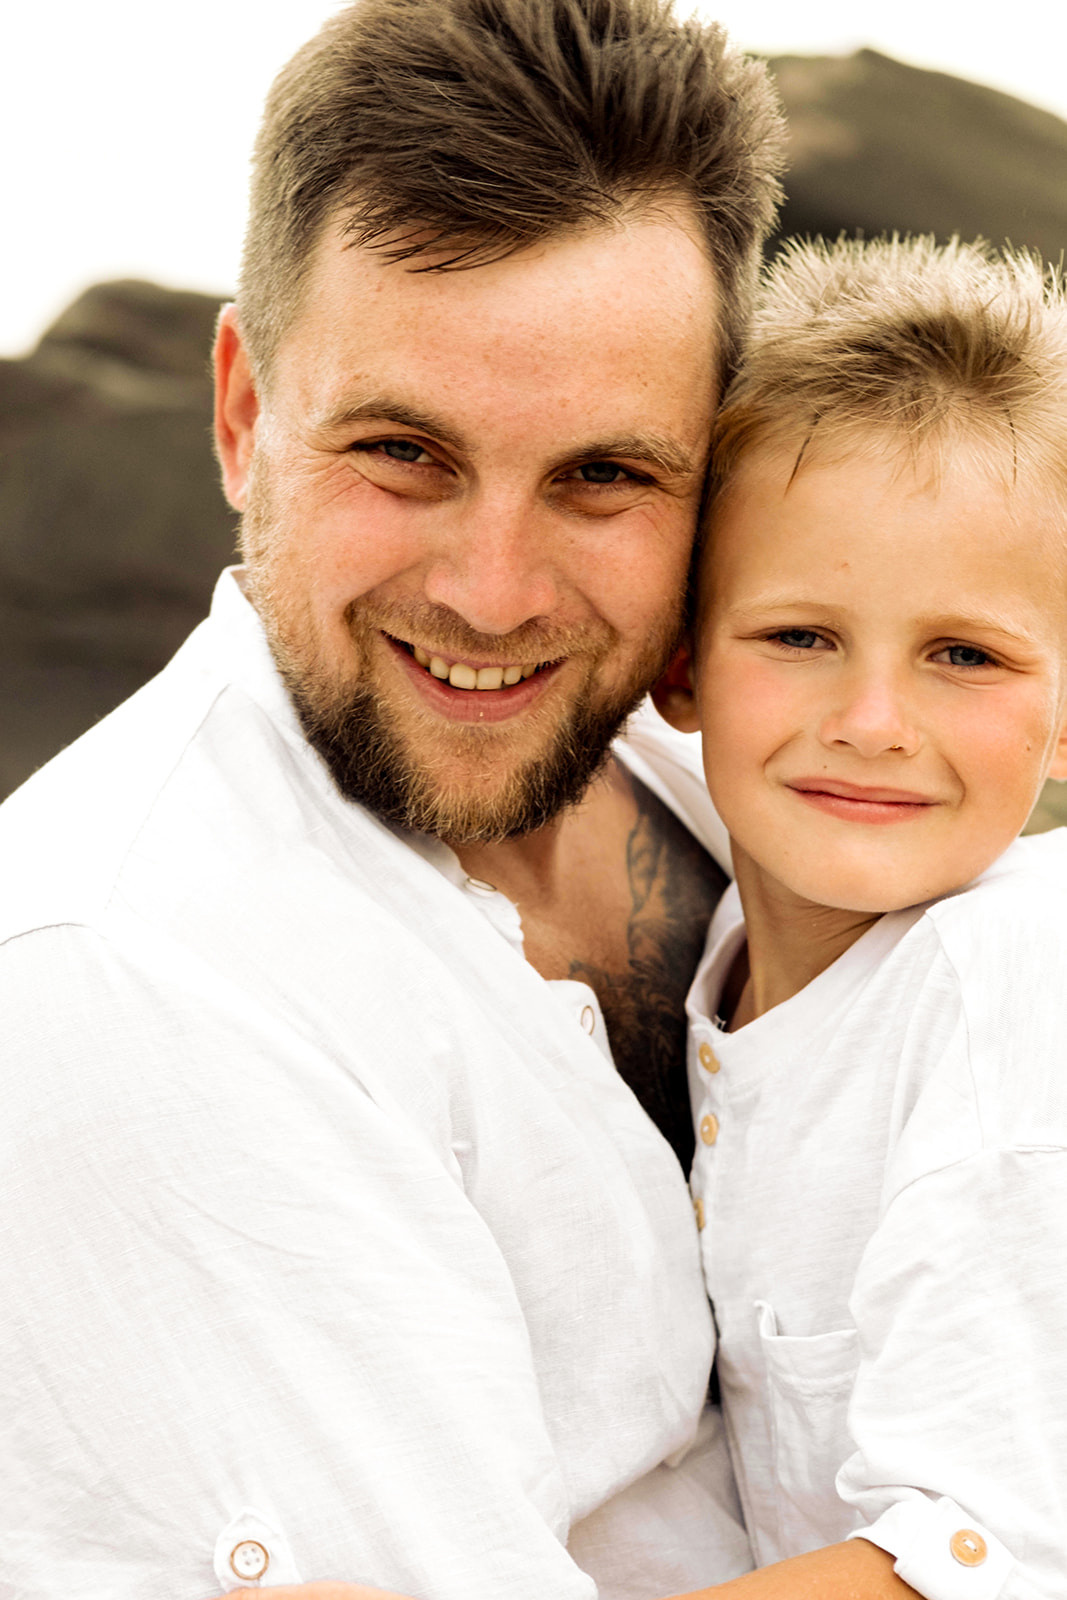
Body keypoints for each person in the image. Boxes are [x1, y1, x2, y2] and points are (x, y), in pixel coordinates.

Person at [0, 2, 785, 1596]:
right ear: (242, 416)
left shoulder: (726, 783)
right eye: (404, 453)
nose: (494, 596)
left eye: (603, 476)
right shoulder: (132, 983)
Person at [651, 234, 1067, 1596]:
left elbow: (977, 1557)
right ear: (678, 661)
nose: (874, 724)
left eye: (964, 654)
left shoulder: (1007, 978)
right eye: (800, 636)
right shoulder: (728, 949)